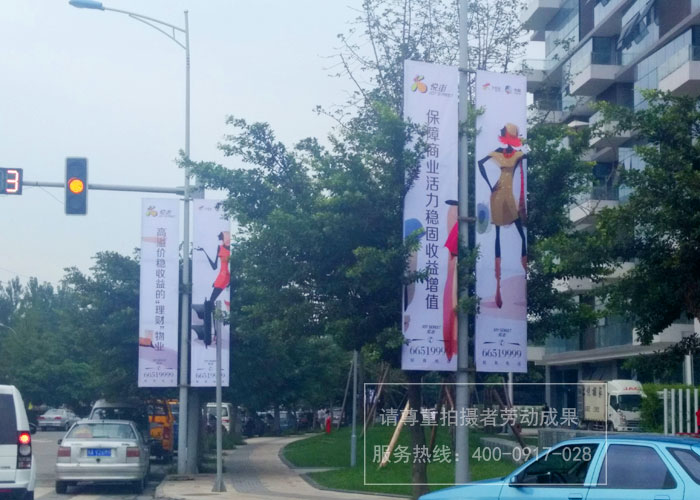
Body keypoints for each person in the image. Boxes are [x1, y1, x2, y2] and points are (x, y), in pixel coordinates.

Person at [477, 123, 527, 308]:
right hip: (497, 195)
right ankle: (497, 286)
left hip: (508, 196)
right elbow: (480, 163)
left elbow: (528, 153)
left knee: (521, 234)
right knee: (498, 235)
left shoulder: (518, 154)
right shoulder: (499, 152)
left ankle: (524, 274)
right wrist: (490, 185)